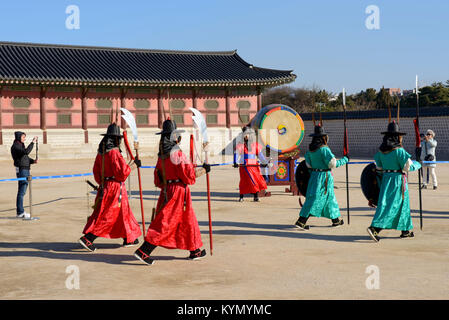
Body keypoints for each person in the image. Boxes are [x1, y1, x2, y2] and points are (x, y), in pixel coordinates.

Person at [133, 119, 210, 266]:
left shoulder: (162, 155)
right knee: (166, 223)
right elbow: (188, 177)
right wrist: (204, 170)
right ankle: (144, 251)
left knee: (187, 221)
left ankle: (195, 250)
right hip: (178, 193)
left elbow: (158, 179)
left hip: (167, 191)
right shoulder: (176, 153)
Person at [79, 123, 142, 252]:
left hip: (106, 186)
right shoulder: (114, 152)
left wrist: (131, 163)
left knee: (123, 213)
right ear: (116, 139)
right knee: (108, 215)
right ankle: (88, 238)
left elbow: (96, 172)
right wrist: (134, 165)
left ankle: (129, 237)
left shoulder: (101, 153)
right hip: (115, 188)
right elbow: (122, 173)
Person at [366, 121, 421, 242]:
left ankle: (405, 230)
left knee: (401, 205)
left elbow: (379, 169)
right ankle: (375, 228)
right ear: (397, 137)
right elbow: (407, 167)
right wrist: (418, 164)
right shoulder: (399, 151)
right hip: (397, 181)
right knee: (392, 206)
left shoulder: (380, 152)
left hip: (386, 179)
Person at [294, 125, 348, 230]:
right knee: (315, 199)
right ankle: (301, 221)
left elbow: (308, 165)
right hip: (325, 177)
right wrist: (345, 160)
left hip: (314, 176)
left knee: (330, 198)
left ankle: (336, 220)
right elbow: (332, 164)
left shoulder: (310, 151)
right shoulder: (324, 149)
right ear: (323, 138)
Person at [233, 126, 268, 202]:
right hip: (244, 166)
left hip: (253, 166)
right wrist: (235, 162)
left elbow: (260, 155)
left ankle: (256, 197)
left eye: (247, 134)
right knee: (243, 181)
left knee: (254, 181)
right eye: (244, 134)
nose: (246, 136)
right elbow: (237, 154)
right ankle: (241, 197)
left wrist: (264, 161)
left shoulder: (255, 144)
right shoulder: (240, 145)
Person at [11, 131, 38, 219]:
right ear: (18, 137)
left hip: (25, 169)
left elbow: (25, 157)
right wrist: (32, 143)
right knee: (21, 191)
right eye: (23, 137)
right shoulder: (16, 146)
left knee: (22, 191)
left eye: (24, 137)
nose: (24, 139)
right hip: (22, 170)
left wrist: (33, 161)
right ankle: (20, 212)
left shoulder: (20, 145)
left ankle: (20, 211)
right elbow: (26, 152)